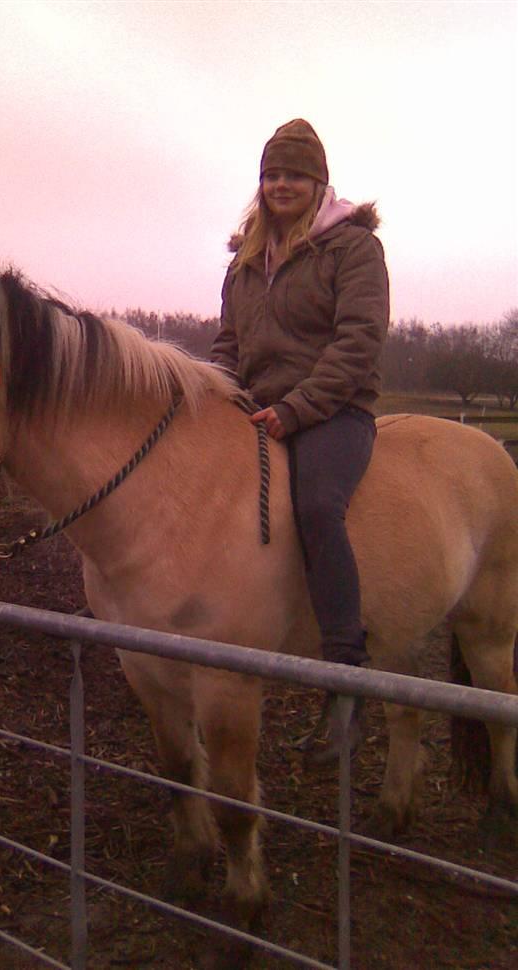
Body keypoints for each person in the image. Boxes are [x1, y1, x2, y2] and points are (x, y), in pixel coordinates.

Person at [211, 119, 390, 761]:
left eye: (295, 175)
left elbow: (358, 343)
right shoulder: (246, 263)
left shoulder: (353, 250)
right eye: (272, 175)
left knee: (316, 505)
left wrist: (297, 407)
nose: (282, 185)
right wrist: (216, 396)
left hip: (334, 412)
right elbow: (229, 345)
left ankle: (346, 677)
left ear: (319, 183)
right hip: (259, 409)